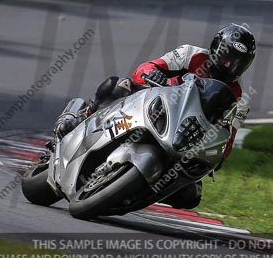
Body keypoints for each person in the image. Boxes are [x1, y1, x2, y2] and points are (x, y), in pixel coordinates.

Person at [53, 23, 256, 209]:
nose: (230, 65)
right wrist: (153, 75)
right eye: (226, 57)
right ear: (215, 48)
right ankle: (81, 117)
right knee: (118, 85)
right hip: (156, 104)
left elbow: (227, 139)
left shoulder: (240, 98)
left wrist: (215, 157)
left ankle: (136, 191)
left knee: (191, 195)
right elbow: (146, 68)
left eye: (238, 63)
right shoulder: (190, 54)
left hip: (184, 138)